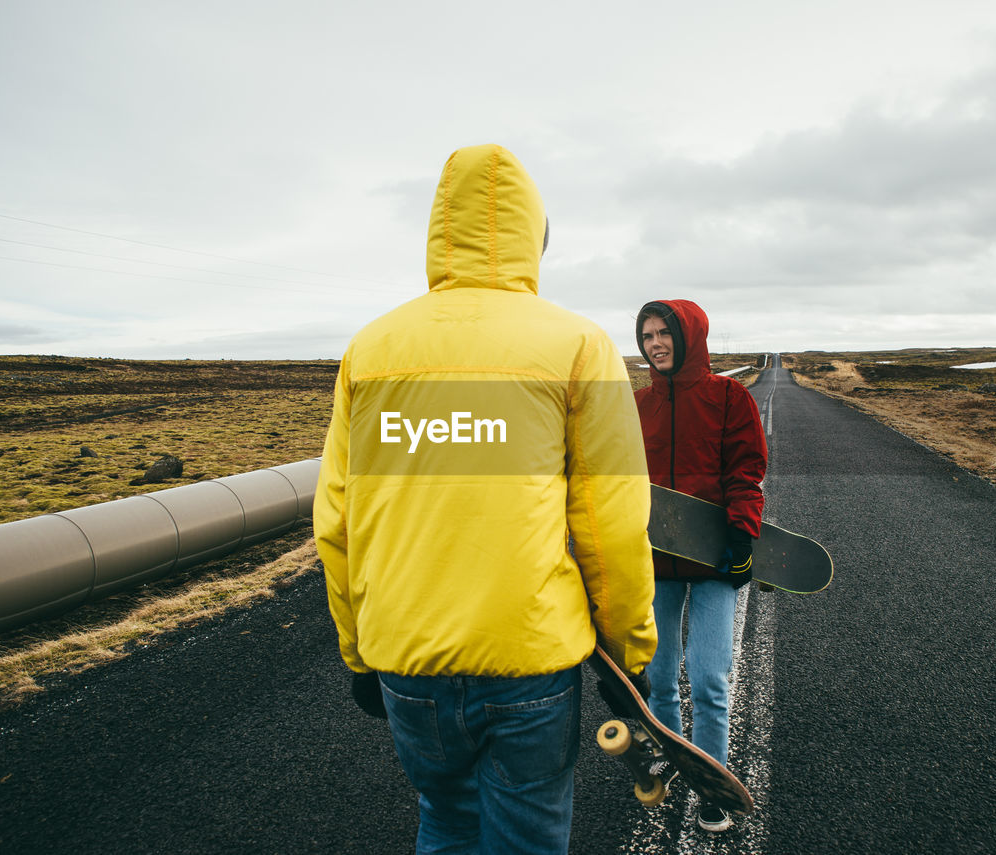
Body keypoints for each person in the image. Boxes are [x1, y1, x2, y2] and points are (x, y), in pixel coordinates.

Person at [314, 143, 657, 855]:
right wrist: (630, 655)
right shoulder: (578, 344)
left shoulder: (370, 349)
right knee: (525, 836)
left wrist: (357, 653)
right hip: (529, 658)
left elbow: (338, 522)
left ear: (439, 231)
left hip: (406, 658)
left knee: (443, 819)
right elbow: (610, 522)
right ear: (533, 235)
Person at [633, 299, 768, 833]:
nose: (656, 343)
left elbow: (746, 467)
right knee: (660, 677)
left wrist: (742, 534)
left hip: (714, 561)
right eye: (647, 336)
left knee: (709, 677)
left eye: (665, 333)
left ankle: (714, 780)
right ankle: (678, 764)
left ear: (688, 337)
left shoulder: (728, 396)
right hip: (656, 563)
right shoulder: (638, 406)